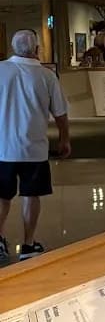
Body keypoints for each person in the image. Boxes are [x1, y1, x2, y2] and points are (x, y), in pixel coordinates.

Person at [0, 29, 70, 264]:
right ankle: (28, 244)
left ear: (13, 48)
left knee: (2, 196)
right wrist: (64, 139)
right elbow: (60, 113)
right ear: (37, 49)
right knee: (31, 195)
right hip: (34, 149)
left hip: (2, 148)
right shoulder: (47, 76)